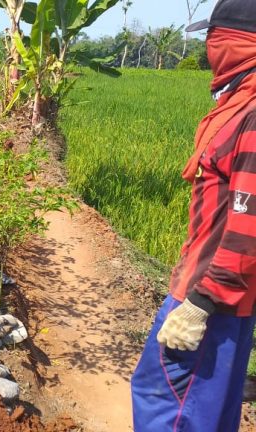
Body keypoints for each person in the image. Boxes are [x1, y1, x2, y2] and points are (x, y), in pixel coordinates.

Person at [131, 1, 256, 430]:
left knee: (167, 406)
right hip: (222, 297)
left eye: (212, 36)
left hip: (212, 300)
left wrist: (200, 304)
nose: (207, 47)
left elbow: (249, 228)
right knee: (207, 413)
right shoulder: (239, 103)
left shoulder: (252, 114)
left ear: (235, 42)